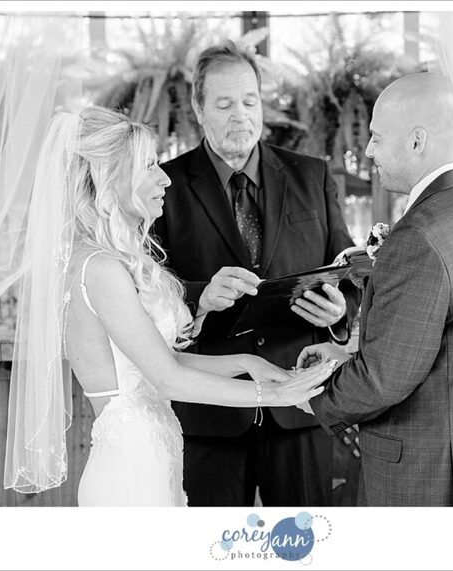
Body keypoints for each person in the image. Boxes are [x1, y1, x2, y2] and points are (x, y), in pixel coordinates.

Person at [3, 106, 336, 506]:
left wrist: (248, 363)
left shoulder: (108, 259)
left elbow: (159, 363)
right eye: (148, 166)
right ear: (110, 178)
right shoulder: (100, 268)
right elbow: (167, 380)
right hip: (130, 472)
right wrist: (274, 395)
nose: (164, 178)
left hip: (153, 458)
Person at [297, 72, 453, 506]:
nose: (368, 152)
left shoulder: (419, 236)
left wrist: (304, 395)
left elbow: (383, 380)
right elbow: (446, 352)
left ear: (417, 141)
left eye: (376, 138)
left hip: (427, 477)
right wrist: (341, 358)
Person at [153, 42, 359, 507]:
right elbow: (147, 286)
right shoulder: (164, 186)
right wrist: (200, 298)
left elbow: (347, 270)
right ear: (199, 109)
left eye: (250, 101)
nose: (240, 115)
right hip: (210, 414)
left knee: (307, 547)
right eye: (224, 104)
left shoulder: (312, 175)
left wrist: (341, 309)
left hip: (301, 404)